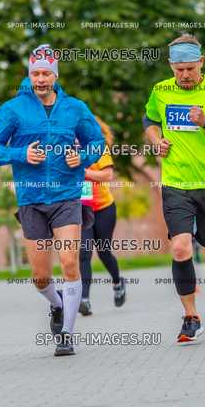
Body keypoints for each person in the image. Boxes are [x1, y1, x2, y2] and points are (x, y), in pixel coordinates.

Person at [0, 45, 105, 356]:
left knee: (70, 262)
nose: (40, 79)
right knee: (40, 276)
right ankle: (57, 303)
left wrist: (83, 157)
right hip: (32, 198)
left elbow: (96, 141)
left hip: (66, 196)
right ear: (29, 75)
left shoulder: (74, 108)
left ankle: (66, 334)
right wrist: (20, 154)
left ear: (55, 76)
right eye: (35, 73)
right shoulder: (13, 109)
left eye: (46, 73)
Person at [143, 34, 205, 342]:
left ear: (201, 63)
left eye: (190, 69)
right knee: (181, 248)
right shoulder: (161, 90)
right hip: (176, 182)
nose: (184, 75)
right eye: (178, 69)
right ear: (171, 66)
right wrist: (156, 141)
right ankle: (190, 315)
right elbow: (149, 120)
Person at [78, 117, 126, 316]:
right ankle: (84, 300)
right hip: (82, 208)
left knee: (104, 251)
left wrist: (84, 173)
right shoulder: (69, 149)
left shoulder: (99, 148)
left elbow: (107, 175)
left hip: (104, 207)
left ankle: (117, 282)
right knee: (84, 253)